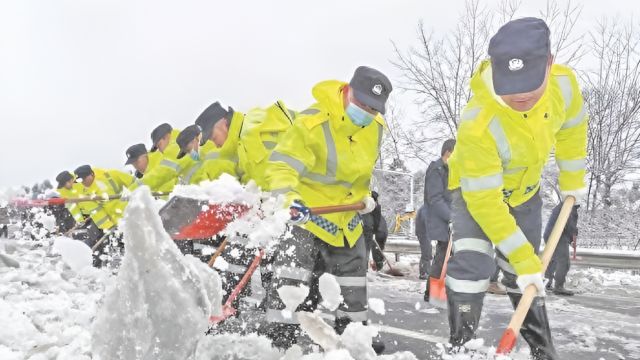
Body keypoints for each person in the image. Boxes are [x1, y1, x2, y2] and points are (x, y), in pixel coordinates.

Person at [445, 18, 587, 359]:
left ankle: (543, 349)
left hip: (525, 193)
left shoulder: (564, 86)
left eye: (529, 86)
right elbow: (486, 202)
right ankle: (461, 347)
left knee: (522, 272)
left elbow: (571, 131)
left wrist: (572, 182)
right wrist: (524, 255)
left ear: (549, 64)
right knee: (473, 265)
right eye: (511, 87)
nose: (521, 96)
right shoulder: (478, 123)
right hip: (476, 196)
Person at [260, 66, 392, 354]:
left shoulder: (375, 127)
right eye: (362, 104)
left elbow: (358, 172)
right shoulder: (312, 123)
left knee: (354, 285)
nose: (367, 113)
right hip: (307, 215)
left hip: (346, 218)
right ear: (347, 91)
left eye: (373, 108)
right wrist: (289, 201)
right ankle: (278, 344)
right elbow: (281, 166)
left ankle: (355, 342)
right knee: (291, 281)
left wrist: (366, 196)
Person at [74, 165, 135, 266]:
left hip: (129, 214)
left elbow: (135, 183)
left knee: (133, 243)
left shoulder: (110, 175)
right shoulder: (85, 194)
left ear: (91, 174)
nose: (83, 182)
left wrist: (134, 194)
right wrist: (109, 227)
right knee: (100, 241)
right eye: (80, 180)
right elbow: (97, 213)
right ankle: (97, 265)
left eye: (84, 179)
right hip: (111, 222)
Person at [422, 139, 455, 299]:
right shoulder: (437, 169)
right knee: (442, 257)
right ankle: (432, 293)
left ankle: (438, 292)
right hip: (439, 219)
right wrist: (451, 217)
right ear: (447, 152)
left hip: (449, 219)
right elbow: (435, 198)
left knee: (446, 257)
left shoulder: (448, 170)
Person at [544, 203, 580, 296]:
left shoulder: (564, 204)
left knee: (553, 260)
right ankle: (558, 287)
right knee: (564, 261)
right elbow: (570, 226)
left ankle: (547, 283)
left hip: (550, 234)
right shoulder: (569, 206)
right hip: (558, 235)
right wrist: (573, 237)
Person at [363, 191, 387, 272]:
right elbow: (376, 220)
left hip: (374, 231)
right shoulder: (375, 206)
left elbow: (375, 221)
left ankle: (367, 268)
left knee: (367, 249)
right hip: (378, 231)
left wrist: (374, 231)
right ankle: (377, 267)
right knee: (375, 250)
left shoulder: (369, 206)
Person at [415, 204, 431, 280]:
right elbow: (426, 221)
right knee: (426, 253)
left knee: (427, 252)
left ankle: (426, 272)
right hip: (423, 233)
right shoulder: (425, 208)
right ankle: (424, 273)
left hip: (424, 233)